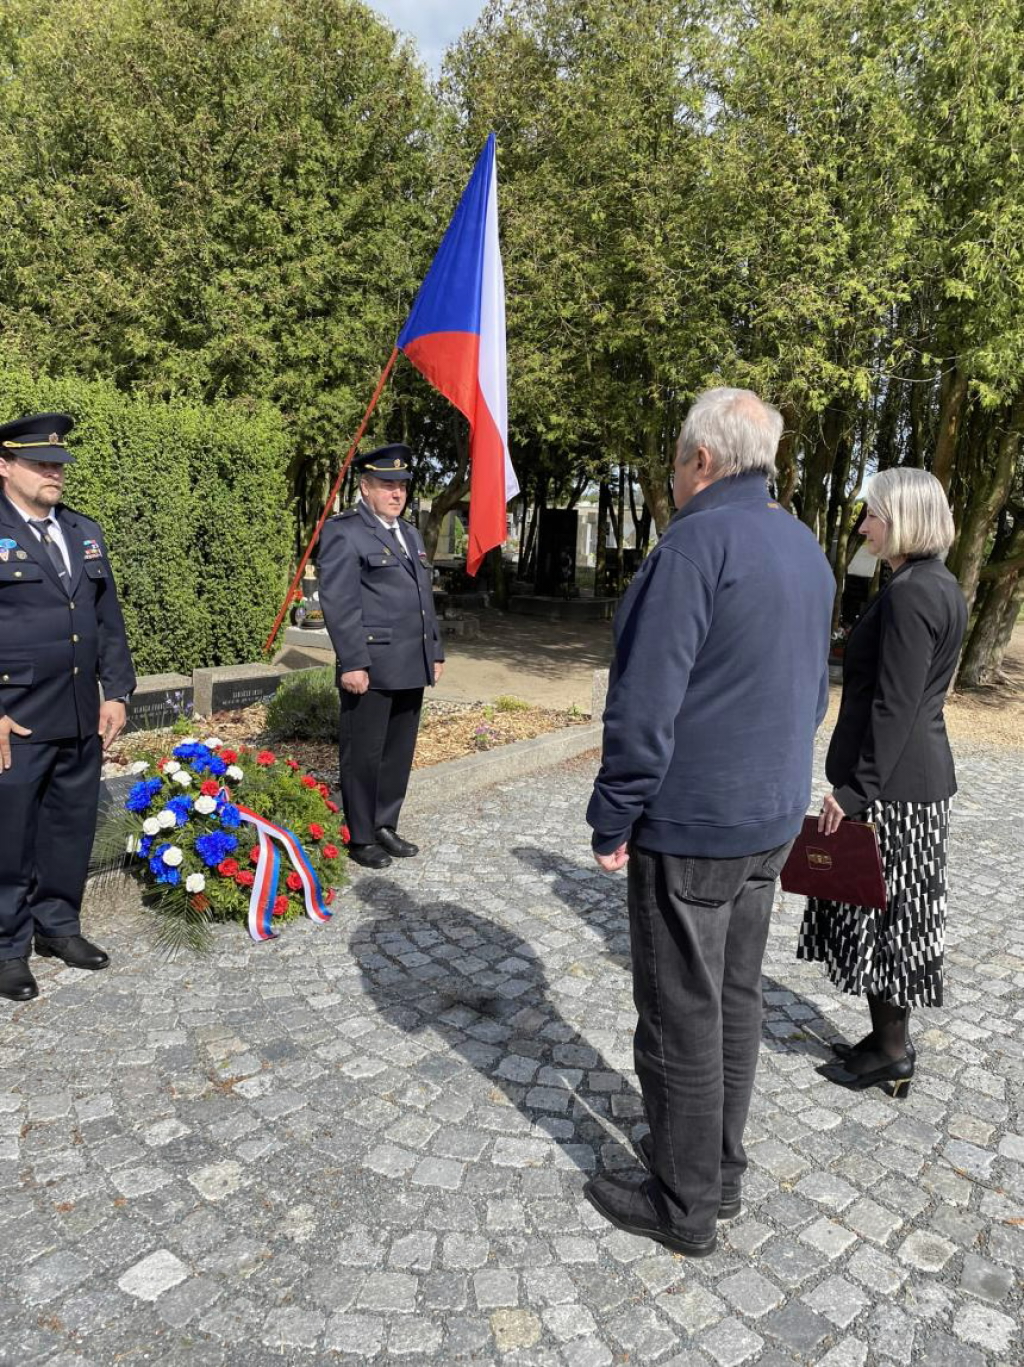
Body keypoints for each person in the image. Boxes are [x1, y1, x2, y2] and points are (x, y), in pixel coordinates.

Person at [583, 387, 834, 1257]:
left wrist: (613, 816)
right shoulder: (803, 544)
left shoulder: (692, 546)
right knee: (734, 998)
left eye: (675, 460)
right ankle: (717, 1169)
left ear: (701, 460)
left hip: (691, 823)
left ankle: (683, 1204)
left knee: (681, 1012)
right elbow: (812, 696)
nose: (673, 475)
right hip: (768, 820)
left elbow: (645, 704)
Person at [800, 468, 967, 1098]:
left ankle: (893, 1054)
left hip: (896, 788)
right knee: (888, 913)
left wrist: (855, 792)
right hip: (913, 780)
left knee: (889, 918)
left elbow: (895, 706)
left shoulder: (913, 593)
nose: (864, 524)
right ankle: (882, 1039)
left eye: (872, 514)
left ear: (900, 518)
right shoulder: (934, 583)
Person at [0, 413, 135, 1003]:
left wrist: (118, 692)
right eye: (40, 463)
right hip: (17, 714)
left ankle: (58, 926)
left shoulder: (83, 530)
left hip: (81, 711)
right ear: (4, 465)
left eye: (58, 463)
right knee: (9, 834)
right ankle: (7, 946)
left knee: (69, 825)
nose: (54, 471)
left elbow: (108, 621)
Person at [317, 444, 444, 869]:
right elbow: (339, 601)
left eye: (402, 486)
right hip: (370, 664)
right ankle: (361, 834)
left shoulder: (408, 533)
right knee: (364, 751)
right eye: (387, 485)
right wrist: (352, 661)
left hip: (411, 661)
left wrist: (435, 650)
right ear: (365, 486)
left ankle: (386, 822)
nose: (397, 493)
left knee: (398, 751)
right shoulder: (344, 531)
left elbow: (424, 597)